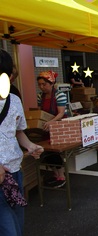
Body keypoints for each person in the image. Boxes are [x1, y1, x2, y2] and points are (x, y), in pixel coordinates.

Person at [0, 49, 44, 235]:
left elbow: (18, 133)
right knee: (9, 230)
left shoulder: (15, 100)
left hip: (15, 170)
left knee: (18, 224)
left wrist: (30, 146)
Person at [37, 70, 68, 188]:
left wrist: (51, 122)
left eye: (44, 84)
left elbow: (61, 113)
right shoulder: (40, 96)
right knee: (46, 151)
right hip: (46, 127)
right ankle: (56, 175)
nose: (41, 87)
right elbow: (41, 112)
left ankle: (62, 176)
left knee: (55, 151)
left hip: (58, 127)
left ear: (51, 83)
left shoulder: (59, 95)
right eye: (39, 84)